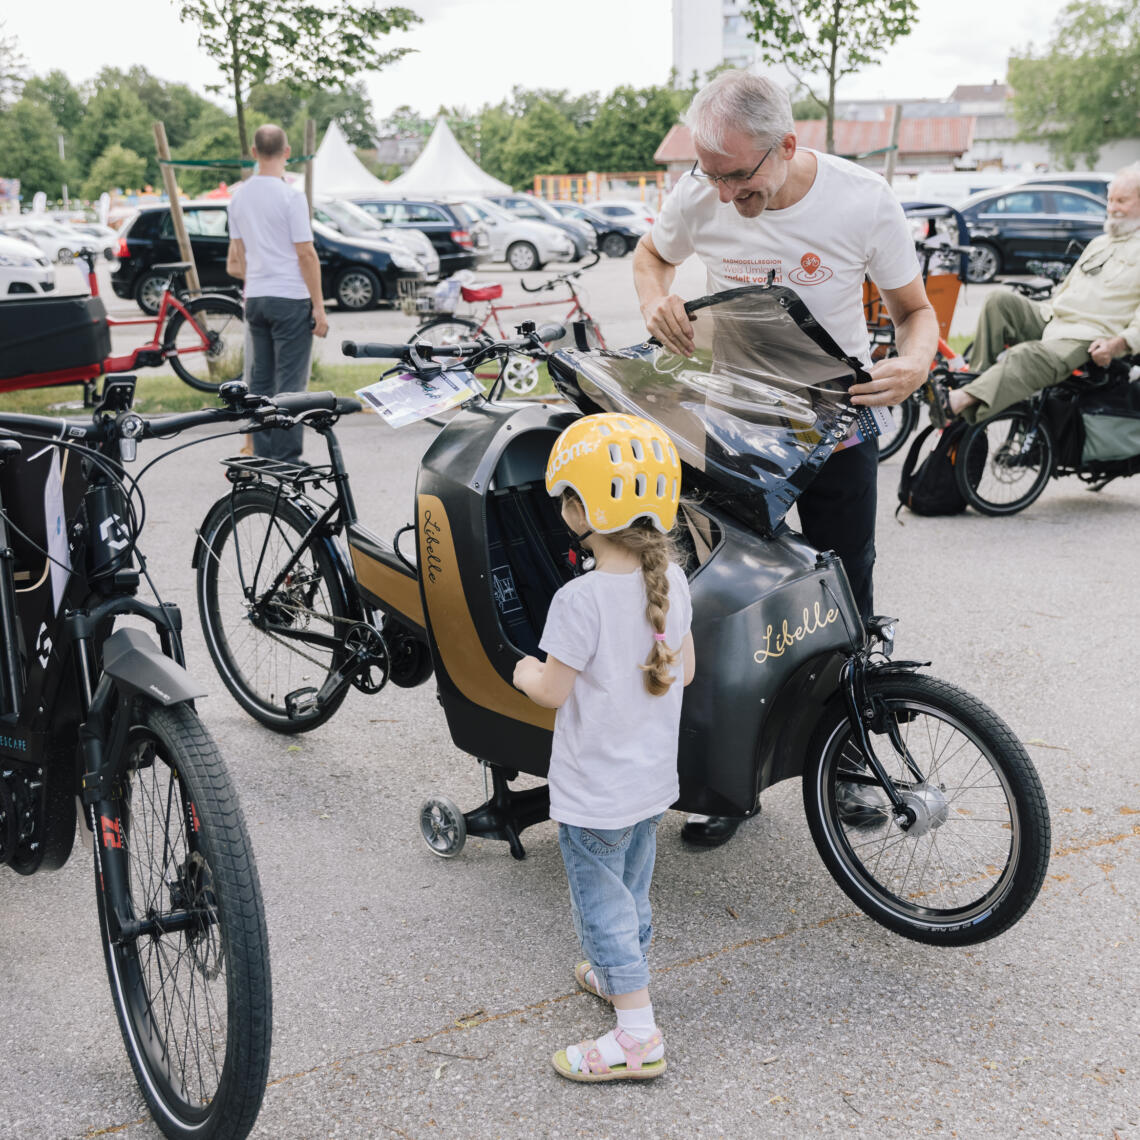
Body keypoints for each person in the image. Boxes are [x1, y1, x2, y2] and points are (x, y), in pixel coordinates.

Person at [633, 70, 938, 847]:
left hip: (832, 418)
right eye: (712, 173)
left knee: (844, 590)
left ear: (787, 147)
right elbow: (649, 258)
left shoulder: (861, 199)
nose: (726, 193)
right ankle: (722, 779)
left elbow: (915, 313)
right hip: (730, 418)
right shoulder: (702, 191)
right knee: (716, 595)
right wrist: (655, 302)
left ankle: (851, 765)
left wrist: (916, 363)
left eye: (741, 175)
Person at [512, 413, 695, 1083]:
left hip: (594, 794)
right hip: (649, 783)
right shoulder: (671, 582)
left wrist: (521, 669)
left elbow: (550, 692)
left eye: (566, 494)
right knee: (632, 890)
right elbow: (687, 670)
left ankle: (637, 1034)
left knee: (603, 902)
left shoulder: (578, 599)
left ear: (582, 509)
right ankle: (620, 974)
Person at [943, 166, 1140, 423]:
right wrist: (1043, 306)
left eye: (1122, 201)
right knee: (999, 300)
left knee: (1025, 355)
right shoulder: (1099, 243)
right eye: (1110, 200)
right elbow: (1067, 291)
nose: (1112, 208)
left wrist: (1118, 345)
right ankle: (978, 384)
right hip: (1054, 317)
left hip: (1089, 336)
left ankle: (961, 401)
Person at [226, 123, 329, 465]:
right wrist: (319, 307)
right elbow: (306, 254)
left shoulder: (237, 196)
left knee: (260, 381)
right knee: (291, 384)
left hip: (255, 298)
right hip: (289, 297)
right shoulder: (291, 196)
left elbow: (236, 258)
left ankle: (263, 456)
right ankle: (287, 460)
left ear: (254, 153)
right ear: (287, 153)